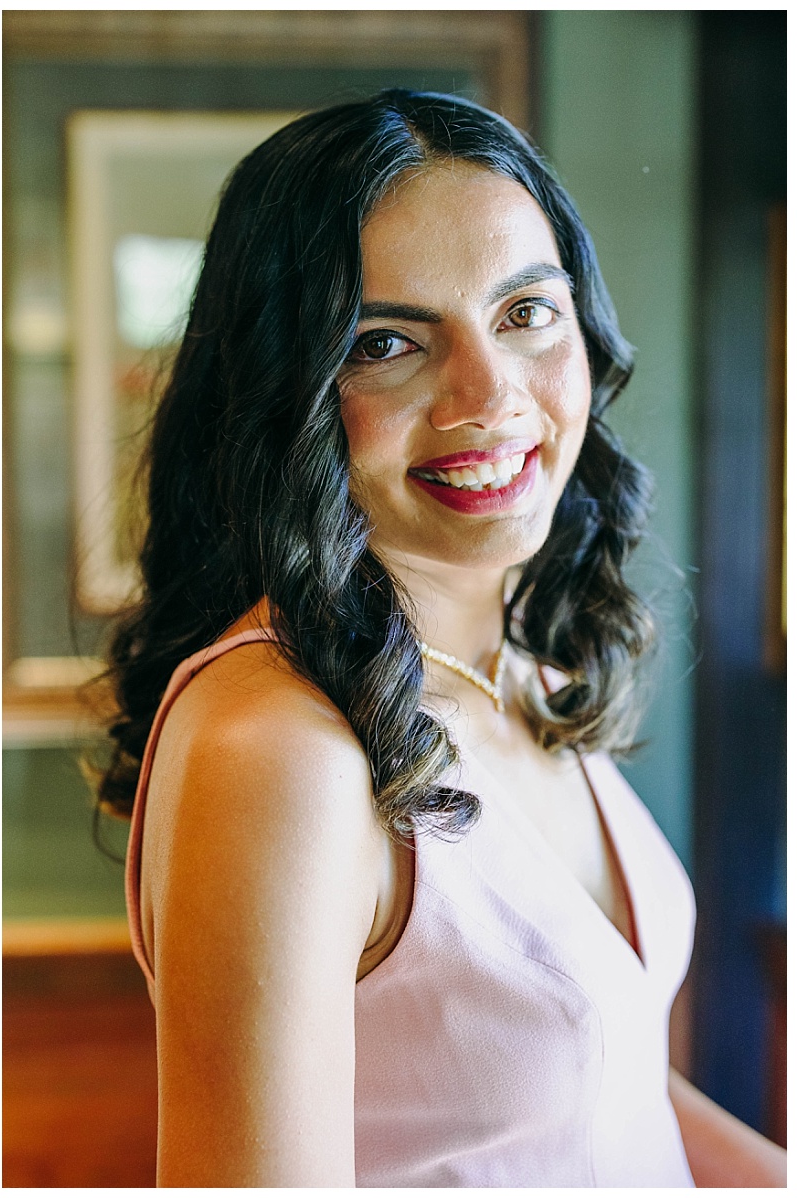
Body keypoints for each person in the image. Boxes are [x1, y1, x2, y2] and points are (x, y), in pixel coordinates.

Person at [103, 90, 786, 1186]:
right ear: (288, 391)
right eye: (386, 343)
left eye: (526, 312)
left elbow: (606, 1098)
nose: (489, 395)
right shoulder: (279, 748)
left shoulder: (523, 668)